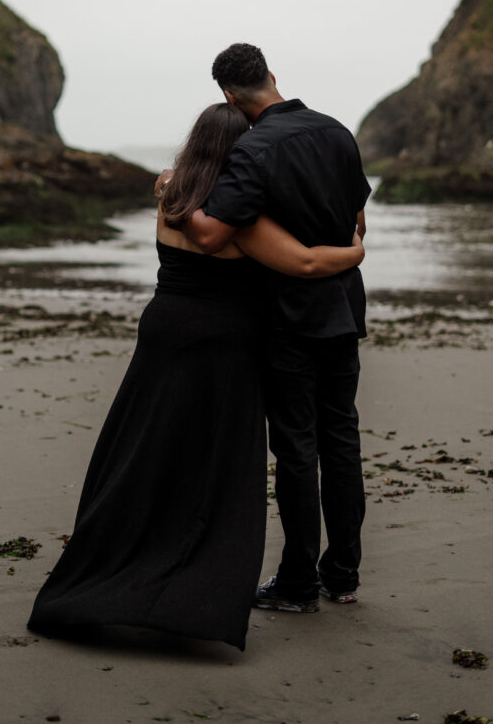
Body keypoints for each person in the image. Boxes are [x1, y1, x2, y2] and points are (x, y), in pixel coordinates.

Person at [27, 103, 364, 651]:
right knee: (213, 467)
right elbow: (304, 263)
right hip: (223, 344)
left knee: (143, 449)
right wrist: (355, 250)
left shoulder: (169, 191)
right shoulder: (241, 219)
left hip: (163, 328)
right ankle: (195, 585)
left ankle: (108, 559)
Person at [181, 44, 371, 614]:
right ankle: (341, 574)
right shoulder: (337, 131)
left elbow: (213, 235)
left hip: (288, 316)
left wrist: (174, 195)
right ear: (271, 75)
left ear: (229, 96)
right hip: (342, 306)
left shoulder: (253, 149)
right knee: (342, 439)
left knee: (296, 448)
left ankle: (295, 585)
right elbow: (358, 217)